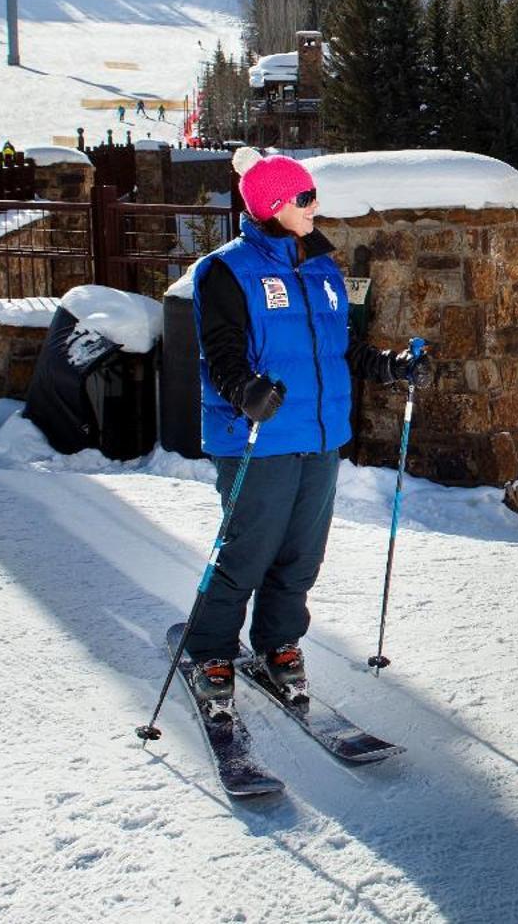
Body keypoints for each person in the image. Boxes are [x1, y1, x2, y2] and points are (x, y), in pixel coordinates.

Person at [182, 146, 427, 716]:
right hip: (258, 435)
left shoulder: (321, 265)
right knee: (247, 551)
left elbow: (340, 347)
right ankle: (211, 650)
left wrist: (389, 366)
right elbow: (220, 353)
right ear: (272, 205)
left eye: (313, 194)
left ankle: (278, 643)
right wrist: (244, 390)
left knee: (300, 555)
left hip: (319, 437)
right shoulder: (226, 269)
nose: (315, 205)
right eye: (304, 197)